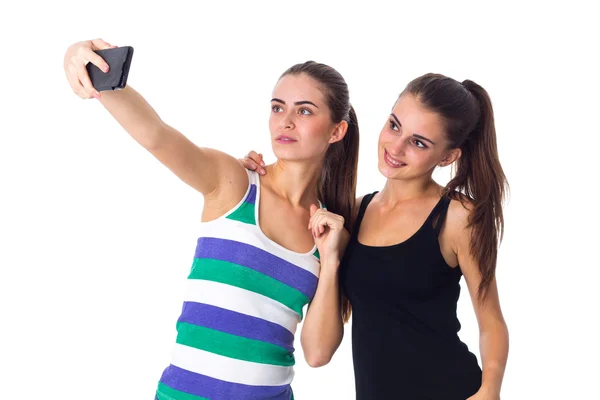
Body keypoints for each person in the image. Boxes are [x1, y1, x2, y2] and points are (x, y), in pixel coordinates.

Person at [63, 38, 360, 400]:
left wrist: (330, 260)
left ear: (336, 131)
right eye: (278, 107)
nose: (285, 122)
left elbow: (317, 354)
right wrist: (94, 70)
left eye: (305, 111)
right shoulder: (234, 182)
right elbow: (156, 135)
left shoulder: (326, 230)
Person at [243, 73, 509, 399]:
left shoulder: (458, 217)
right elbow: (316, 352)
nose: (395, 147)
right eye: (394, 125)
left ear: (447, 157)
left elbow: (491, 321)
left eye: (418, 142)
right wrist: (253, 180)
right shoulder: (351, 215)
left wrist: (490, 390)